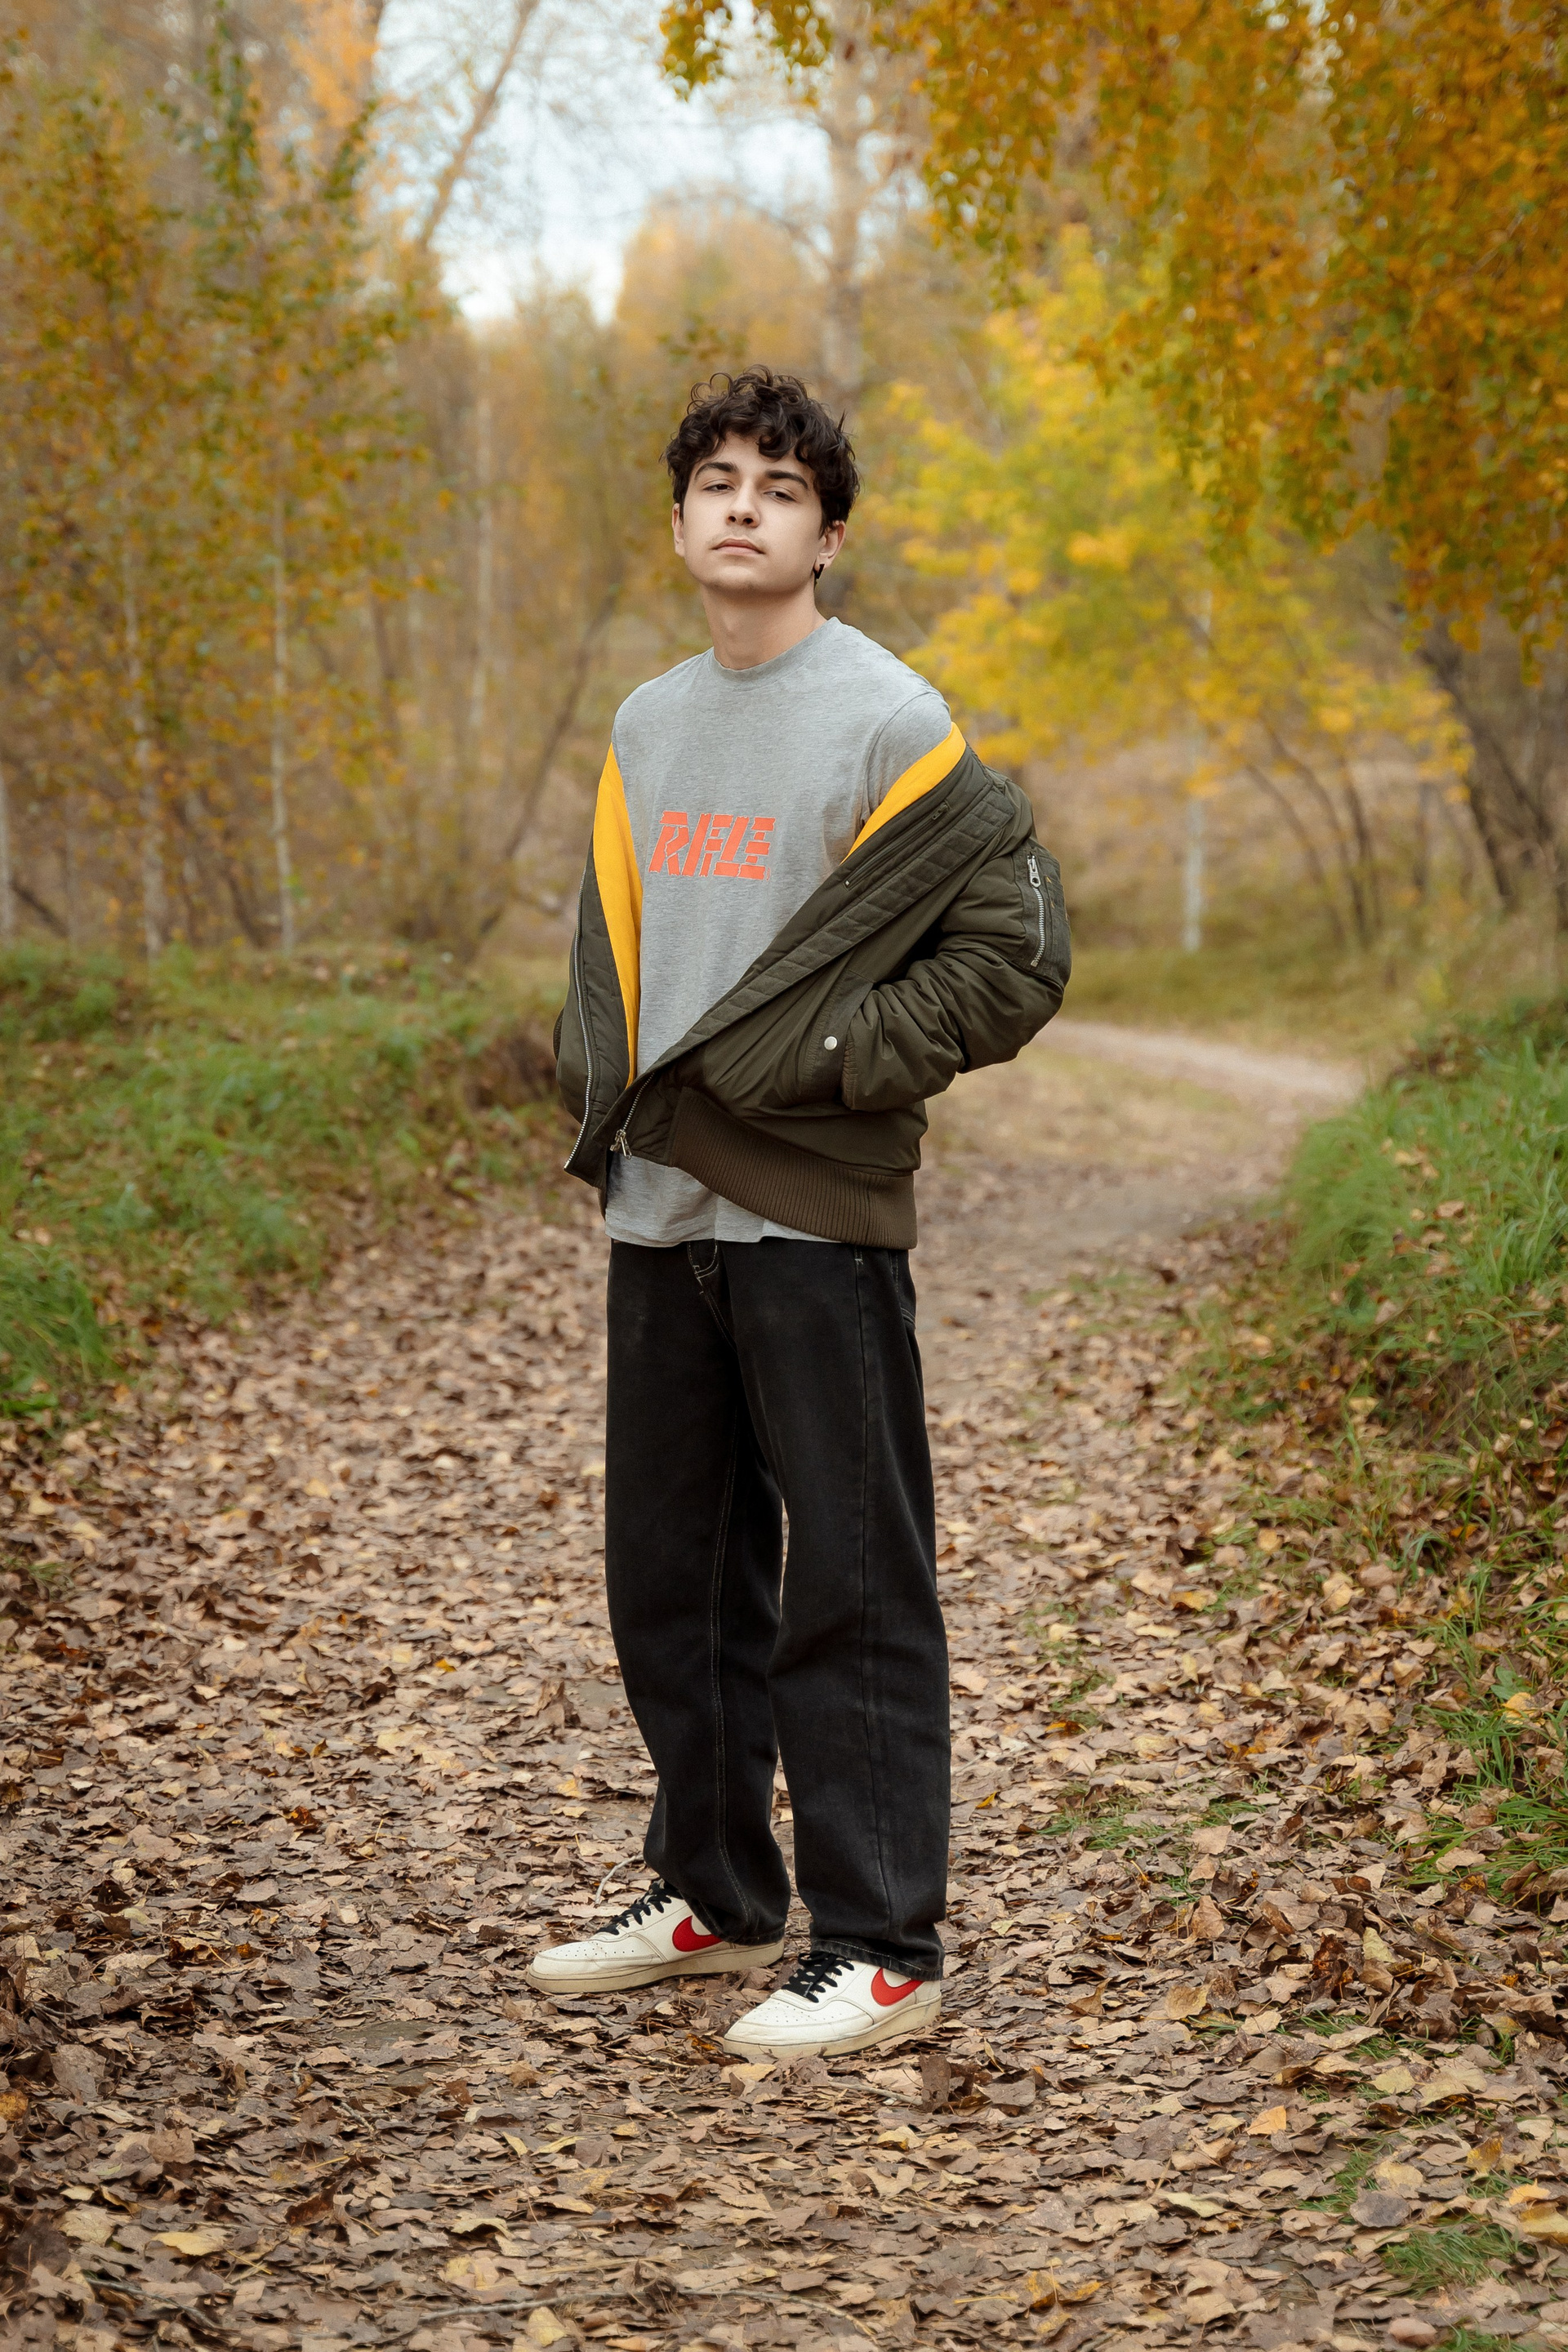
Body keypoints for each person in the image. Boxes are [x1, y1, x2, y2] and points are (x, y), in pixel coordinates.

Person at [531, 367, 1069, 2059]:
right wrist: (593, 1074)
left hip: (814, 1222)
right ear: (681, 518)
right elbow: (617, 937)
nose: (745, 507)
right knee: (672, 1580)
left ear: (829, 534)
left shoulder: (891, 719)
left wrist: (837, 1062)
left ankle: (885, 1944)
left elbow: (1014, 956)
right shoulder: (647, 722)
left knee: (849, 1580)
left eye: (781, 487)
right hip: (660, 1211)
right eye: (718, 481)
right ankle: (714, 1890)